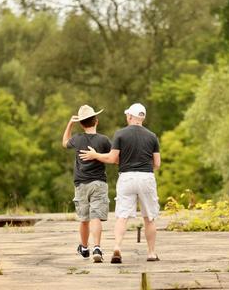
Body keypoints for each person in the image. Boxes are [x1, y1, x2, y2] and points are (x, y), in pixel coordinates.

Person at [79, 103, 161, 263]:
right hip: (146, 177)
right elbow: (157, 163)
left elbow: (112, 159)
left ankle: (117, 247)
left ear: (130, 116)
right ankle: (151, 253)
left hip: (127, 177)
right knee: (149, 218)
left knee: (122, 217)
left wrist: (95, 155)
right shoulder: (152, 136)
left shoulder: (121, 134)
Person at [62, 104, 112, 263]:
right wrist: (97, 155)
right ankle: (97, 247)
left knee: (84, 218)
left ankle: (84, 248)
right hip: (98, 183)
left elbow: (64, 142)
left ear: (81, 124)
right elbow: (113, 157)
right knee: (96, 216)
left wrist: (70, 124)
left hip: (81, 184)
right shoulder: (104, 140)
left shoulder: (77, 139)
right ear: (96, 121)